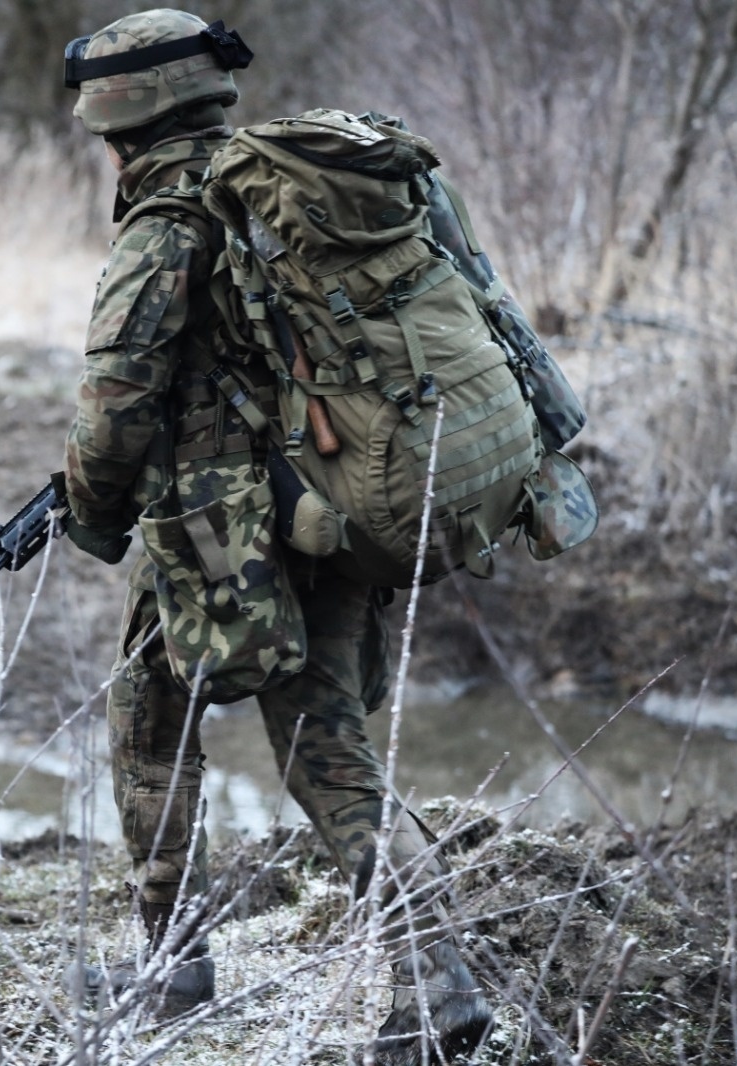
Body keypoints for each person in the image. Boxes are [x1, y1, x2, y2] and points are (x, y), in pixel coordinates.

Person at [55, 9, 496, 1065]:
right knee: (325, 741)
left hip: (222, 532)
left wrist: (93, 513)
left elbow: (114, 406)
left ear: (118, 124)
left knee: (151, 723)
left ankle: (175, 968)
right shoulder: (296, 196)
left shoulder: (167, 223)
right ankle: (436, 975)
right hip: (341, 496)